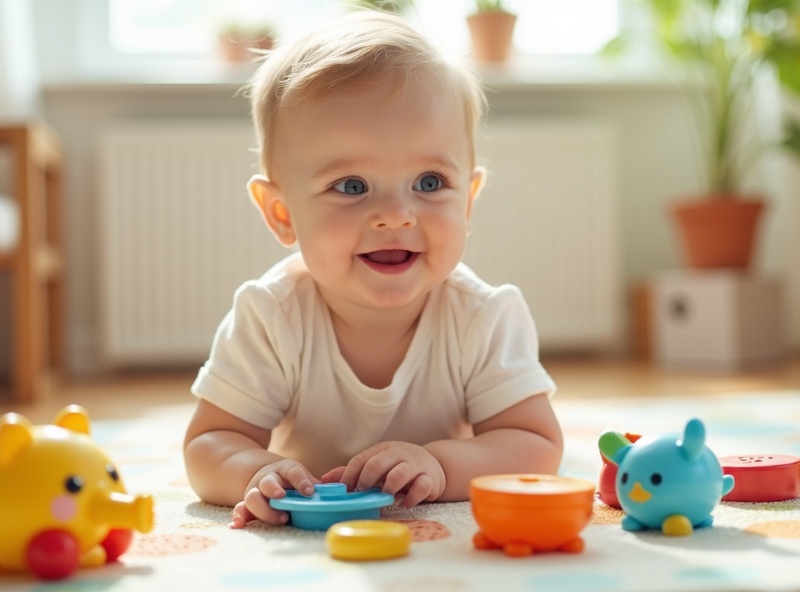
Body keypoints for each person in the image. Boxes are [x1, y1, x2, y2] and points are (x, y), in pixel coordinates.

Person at [183, 10, 563, 528]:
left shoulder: (483, 316)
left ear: (468, 202)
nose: (395, 214)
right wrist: (254, 471)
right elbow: (209, 443)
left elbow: (535, 444)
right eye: (352, 186)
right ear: (282, 214)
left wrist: (440, 463)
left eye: (429, 182)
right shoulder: (271, 314)